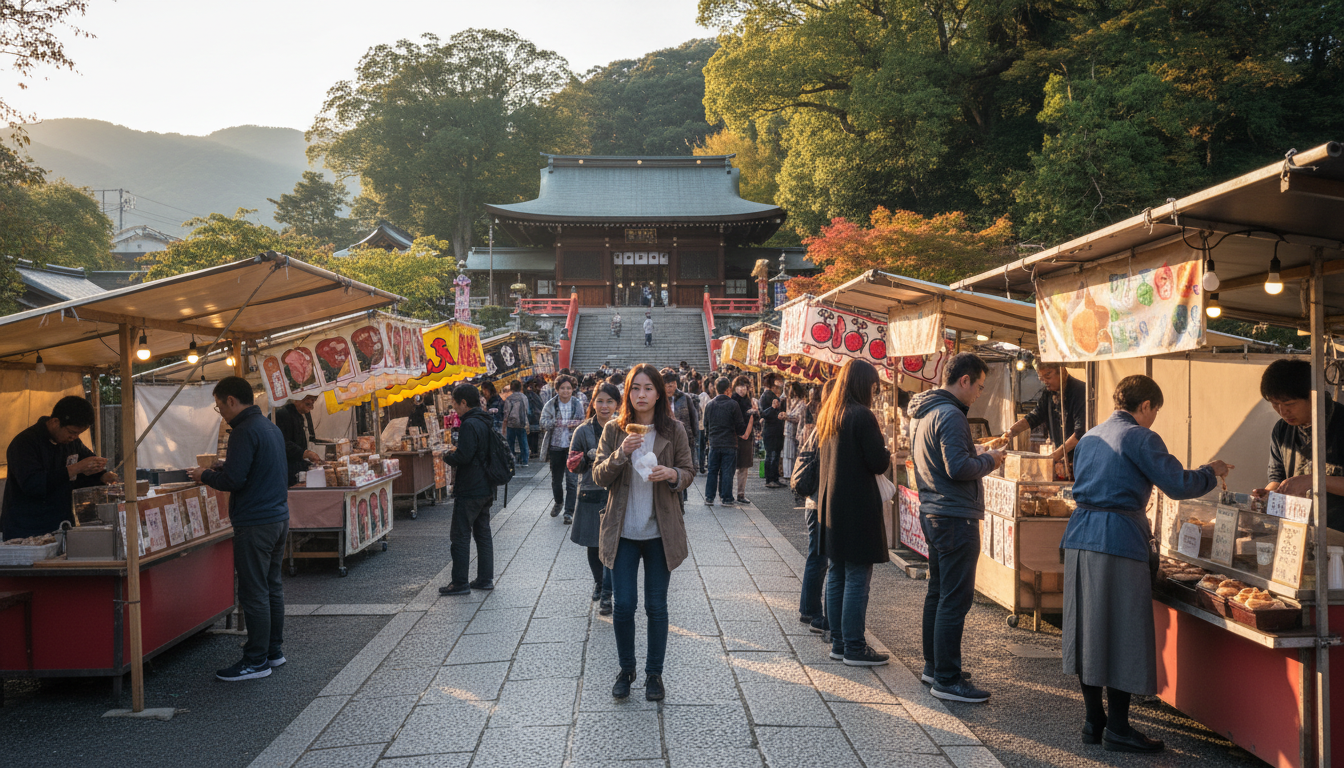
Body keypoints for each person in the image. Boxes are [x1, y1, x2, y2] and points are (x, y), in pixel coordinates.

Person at [1063, 375, 1229, 753]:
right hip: (1117, 539)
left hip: (1079, 536)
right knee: (1121, 631)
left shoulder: (1089, 436)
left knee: (1088, 630)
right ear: (1147, 406)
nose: (1154, 418)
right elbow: (1178, 484)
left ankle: (1094, 720)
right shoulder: (1140, 437)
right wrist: (1211, 470)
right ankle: (1119, 728)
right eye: (1156, 411)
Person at [592, 364, 695, 701]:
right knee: (623, 606)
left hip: (658, 534)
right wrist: (621, 454)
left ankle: (654, 674)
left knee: (657, 606)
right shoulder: (614, 429)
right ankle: (626, 669)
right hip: (622, 533)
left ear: (659, 393)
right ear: (628, 393)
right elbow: (599, 476)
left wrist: (672, 473)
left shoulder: (674, 429)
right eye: (635, 388)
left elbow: (689, 470)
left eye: (648, 388)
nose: (641, 394)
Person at [909, 352, 1004, 702]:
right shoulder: (950, 414)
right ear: (963, 380)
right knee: (953, 598)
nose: (979, 393)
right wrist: (990, 459)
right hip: (954, 516)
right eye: (978, 386)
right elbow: (958, 468)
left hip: (935, 512)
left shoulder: (925, 412)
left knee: (939, 592)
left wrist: (975, 452)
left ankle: (935, 667)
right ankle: (947, 678)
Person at [188, 377, 289, 681]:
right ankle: (273, 651)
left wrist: (205, 474)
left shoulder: (243, 431)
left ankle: (255, 661)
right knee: (272, 587)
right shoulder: (270, 428)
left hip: (255, 522)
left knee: (254, 590)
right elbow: (252, 469)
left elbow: (234, 482)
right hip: (278, 517)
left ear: (231, 400)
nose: (221, 413)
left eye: (219, 407)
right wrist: (225, 466)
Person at [816, 360, 893, 667]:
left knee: (837, 573)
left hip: (832, 505)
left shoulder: (831, 414)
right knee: (858, 575)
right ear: (864, 385)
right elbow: (877, 462)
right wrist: (885, 450)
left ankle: (838, 641)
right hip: (857, 506)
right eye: (874, 386)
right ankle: (854, 646)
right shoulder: (863, 416)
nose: (875, 392)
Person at [2, 395, 117, 540]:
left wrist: (102, 475)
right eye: (72, 432)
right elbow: (33, 484)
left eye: (79, 433)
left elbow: (86, 466)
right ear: (56, 422)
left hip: (61, 524)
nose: (74, 437)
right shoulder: (24, 443)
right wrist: (75, 468)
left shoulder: (72, 442)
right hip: (26, 530)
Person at [1252, 358, 1344, 532]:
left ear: (1312, 395)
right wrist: (1267, 495)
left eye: (1289, 404)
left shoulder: (1340, 423)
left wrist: (1314, 480)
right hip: (1296, 531)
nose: (1282, 411)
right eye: (1275, 404)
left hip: (1337, 533)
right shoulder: (1281, 430)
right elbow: (1276, 478)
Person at [438, 383, 496, 595]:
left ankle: (460, 582)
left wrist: (447, 456)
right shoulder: (484, 421)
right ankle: (485, 578)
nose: (453, 407)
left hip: (470, 487)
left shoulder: (469, 424)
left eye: (454, 403)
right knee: (483, 533)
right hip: (486, 485)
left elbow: (464, 456)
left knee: (460, 535)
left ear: (463, 402)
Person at [570, 383, 621, 615]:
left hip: (617, 491)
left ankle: (609, 590)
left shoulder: (624, 429)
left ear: (617, 404)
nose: (604, 406)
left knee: (615, 545)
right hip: (590, 490)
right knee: (594, 543)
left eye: (609, 401)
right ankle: (600, 583)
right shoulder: (582, 431)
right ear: (593, 403)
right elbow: (574, 465)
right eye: (600, 401)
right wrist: (584, 459)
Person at [999, 362, 1086, 475]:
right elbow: (1035, 416)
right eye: (1041, 378)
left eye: (1048, 376)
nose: (1045, 381)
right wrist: (1010, 432)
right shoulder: (1048, 393)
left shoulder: (1080, 391)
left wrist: (1055, 456)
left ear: (1062, 371)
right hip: (1060, 460)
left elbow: (1080, 432)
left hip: (1079, 459)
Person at [797, 382, 829, 635]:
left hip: (813, 500)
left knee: (816, 556)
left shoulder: (821, 426)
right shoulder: (826, 429)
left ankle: (809, 607)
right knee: (818, 557)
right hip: (819, 501)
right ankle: (810, 609)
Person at [540, 374, 583, 522]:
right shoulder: (551, 404)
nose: (565, 391)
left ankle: (569, 512)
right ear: (557, 389)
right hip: (556, 447)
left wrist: (572, 423)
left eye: (568, 388)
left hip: (572, 446)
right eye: (562, 388)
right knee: (556, 480)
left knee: (572, 481)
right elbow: (543, 422)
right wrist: (555, 423)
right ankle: (559, 501)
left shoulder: (577, 403)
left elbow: (583, 421)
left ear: (573, 389)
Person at [703, 376, 749, 507]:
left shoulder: (710, 404)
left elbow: (706, 425)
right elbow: (739, 426)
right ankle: (726, 498)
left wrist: (709, 439)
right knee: (727, 471)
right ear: (728, 389)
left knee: (712, 470)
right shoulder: (733, 405)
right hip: (730, 443)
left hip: (714, 443)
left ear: (716, 389)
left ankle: (709, 497)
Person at [274, 394, 320, 486]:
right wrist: (305, 453)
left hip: (295, 469)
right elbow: (282, 442)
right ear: (296, 400)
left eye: (313, 402)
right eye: (308, 403)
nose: (312, 408)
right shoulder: (283, 415)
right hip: (286, 472)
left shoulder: (298, 416)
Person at [663, 371, 701, 478]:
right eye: (666, 386)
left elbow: (694, 418)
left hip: (683, 440)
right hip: (664, 441)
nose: (669, 388)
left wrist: (694, 437)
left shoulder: (685, 398)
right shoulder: (657, 399)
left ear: (676, 384)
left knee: (682, 474)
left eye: (671, 385)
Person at [731, 376, 758, 504]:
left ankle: (741, 494)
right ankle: (727, 492)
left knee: (744, 467)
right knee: (731, 466)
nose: (742, 389)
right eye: (739, 386)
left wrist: (755, 413)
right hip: (733, 437)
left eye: (744, 387)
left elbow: (757, 419)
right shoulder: (732, 400)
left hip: (747, 439)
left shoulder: (750, 401)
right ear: (734, 387)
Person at [759, 373, 786, 488]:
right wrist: (775, 407)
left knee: (774, 454)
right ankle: (770, 479)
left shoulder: (770, 395)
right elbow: (765, 414)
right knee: (771, 455)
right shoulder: (767, 396)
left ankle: (774, 478)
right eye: (778, 380)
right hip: (771, 430)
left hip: (774, 430)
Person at [782, 381, 807, 480]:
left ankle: (791, 473)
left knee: (792, 453)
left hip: (795, 430)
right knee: (788, 453)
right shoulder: (791, 401)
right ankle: (787, 473)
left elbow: (798, 417)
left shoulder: (802, 403)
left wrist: (787, 417)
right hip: (788, 430)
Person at [502, 379, 530, 467]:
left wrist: (504, 426)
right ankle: (525, 460)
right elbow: (527, 411)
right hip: (522, 423)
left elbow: (506, 413)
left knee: (510, 443)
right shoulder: (524, 397)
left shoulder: (509, 399)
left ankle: (511, 459)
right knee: (523, 442)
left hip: (511, 423)